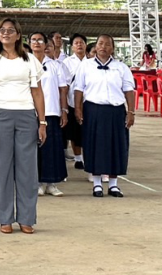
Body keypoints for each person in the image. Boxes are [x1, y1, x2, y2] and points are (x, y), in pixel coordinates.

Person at [0, 17, 45, 234]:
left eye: (10, 30)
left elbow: (37, 92)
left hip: (26, 116)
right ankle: (3, 217)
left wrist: (42, 122)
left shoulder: (30, 61)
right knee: (1, 169)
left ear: (18, 35)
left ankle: (27, 217)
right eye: (1, 30)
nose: (5, 33)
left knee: (27, 169)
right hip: (0, 115)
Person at [72, 34, 136, 198]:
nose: (103, 47)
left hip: (115, 110)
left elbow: (129, 89)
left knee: (117, 146)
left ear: (112, 49)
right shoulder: (85, 66)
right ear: (95, 47)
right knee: (94, 146)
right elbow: (78, 88)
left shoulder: (121, 67)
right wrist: (78, 109)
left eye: (107, 44)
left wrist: (131, 111)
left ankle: (114, 185)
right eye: (100, 43)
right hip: (93, 110)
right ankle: (97, 184)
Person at [29, 31, 67, 197]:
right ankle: (36, 182)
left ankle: (51, 183)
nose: (37, 43)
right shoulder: (24, 64)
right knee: (33, 149)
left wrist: (64, 110)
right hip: (30, 111)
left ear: (46, 45)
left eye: (40, 40)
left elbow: (63, 89)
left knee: (52, 148)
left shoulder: (55, 65)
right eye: (34, 40)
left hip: (51, 111)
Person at [61, 33, 88, 170]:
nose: (79, 45)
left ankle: (87, 156)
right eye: (76, 43)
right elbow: (64, 85)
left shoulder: (91, 60)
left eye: (81, 42)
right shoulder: (67, 62)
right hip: (72, 101)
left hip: (89, 100)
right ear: (72, 47)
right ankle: (78, 158)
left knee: (87, 131)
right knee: (74, 132)